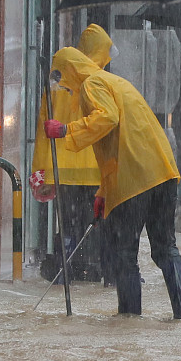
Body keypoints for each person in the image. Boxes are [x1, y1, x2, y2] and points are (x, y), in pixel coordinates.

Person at [44, 45, 181, 320]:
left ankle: (129, 319)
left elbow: (108, 118)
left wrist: (66, 129)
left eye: (64, 84)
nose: (67, 91)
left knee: (125, 253)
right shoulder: (116, 81)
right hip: (163, 172)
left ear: (70, 73)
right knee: (166, 248)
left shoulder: (91, 84)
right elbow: (118, 143)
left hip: (134, 179)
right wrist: (104, 191)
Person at [32, 23, 111, 282]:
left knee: (68, 222)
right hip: (95, 171)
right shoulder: (102, 83)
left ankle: (69, 266)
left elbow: (44, 128)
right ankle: (93, 266)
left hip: (63, 169)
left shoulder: (57, 84)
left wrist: (40, 172)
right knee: (95, 224)